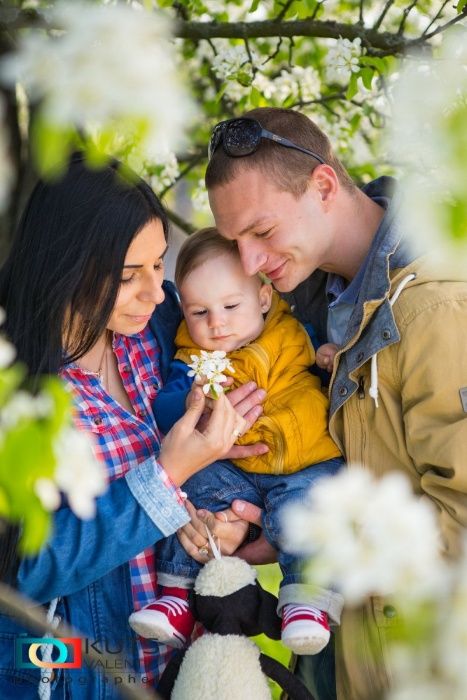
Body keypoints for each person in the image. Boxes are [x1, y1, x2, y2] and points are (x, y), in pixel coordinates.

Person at [204, 107, 467, 700]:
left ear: (324, 185)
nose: (249, 265)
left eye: (262, 233)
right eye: (234, 243)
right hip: (348, 652)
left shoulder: (438, 305)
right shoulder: (301, 307)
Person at [0, 154, 254, 700]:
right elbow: (25, 569)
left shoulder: (157, 334)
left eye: (160, 264)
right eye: (125, 277)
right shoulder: (14, 386)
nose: (157, 293)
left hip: (184, 668)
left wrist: (230, 526)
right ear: (61, 265)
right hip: (81, 674)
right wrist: (166, 475)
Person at [128, 226, 344, 655]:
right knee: (191, 494)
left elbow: (322, 371)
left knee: (311, 506)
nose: (217, 323)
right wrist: (193, 404)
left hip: (303, 459)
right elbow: (166, 405)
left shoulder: (292, 333)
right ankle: (176, 595)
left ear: (263, 298)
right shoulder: (194, 356)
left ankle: (307, 599)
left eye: (230, 305)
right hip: (232, 473)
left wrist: (329, 359)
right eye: (198, 313)